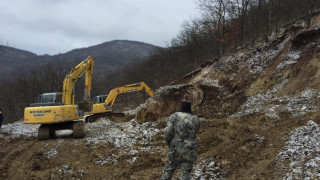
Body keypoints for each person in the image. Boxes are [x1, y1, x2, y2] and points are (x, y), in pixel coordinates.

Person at [161, 100, 200, 180]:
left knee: (168, 171)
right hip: (190, 150)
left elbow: (168, 132)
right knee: (186, 175)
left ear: (181, 107)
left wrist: (169, 143)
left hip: (175, 149)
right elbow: (196, 132)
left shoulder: (175, 116)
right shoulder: (196, 118)